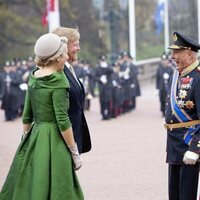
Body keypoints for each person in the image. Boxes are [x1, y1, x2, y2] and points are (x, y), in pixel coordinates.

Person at [0, 33, 84, 199]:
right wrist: (74, 151)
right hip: (54, 139)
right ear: (57, 57)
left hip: (35, 135)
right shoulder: (59, 80)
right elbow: (62, 120)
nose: (67, 56)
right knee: (60, 186)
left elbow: (27, 115)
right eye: (64, 54)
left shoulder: (34, 76)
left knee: (31, 180)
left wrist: (25, 139)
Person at [164, 32, 200, 200]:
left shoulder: (198, 78)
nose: (172, 56)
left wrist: (195, 148)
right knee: (175, 195)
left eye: (177, 53)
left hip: (190, 145)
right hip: (174, 145)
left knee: (187, 196)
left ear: (189, 53)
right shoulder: (178, 75)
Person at [51, 27, 91, 154]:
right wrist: (72, 147)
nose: (78, 48)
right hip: (63, 141)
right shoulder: (58, 72)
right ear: (64, 47)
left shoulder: (68, 69)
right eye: (76, 45)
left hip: (72, 136)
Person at [156, 52, 174, 117]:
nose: (164, 61)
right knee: (161, 99)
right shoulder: (159, 69)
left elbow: (172, 79)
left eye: (165, 60)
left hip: (168, 87)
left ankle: (167, 112)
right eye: (163, 60)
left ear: (167, 60)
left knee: (167, 99)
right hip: (161, 87)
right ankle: (163, 111)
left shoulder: (170, 69)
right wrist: (157, 88)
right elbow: (157, 79)